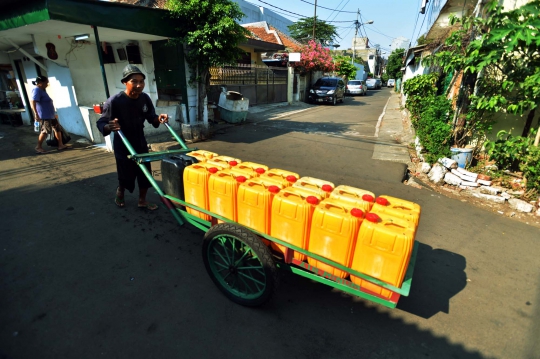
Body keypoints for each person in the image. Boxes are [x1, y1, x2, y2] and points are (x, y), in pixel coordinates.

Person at [97, 65, 169, 210]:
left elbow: (151, 117)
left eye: (141, 81)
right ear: (125, 82)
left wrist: (159, 119)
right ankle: (120, 191)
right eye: (134, 81)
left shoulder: (144, 98)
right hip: (123, 143)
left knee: (145, 173)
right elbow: (102, 122)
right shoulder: (114, 101)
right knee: (126, 175)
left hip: (140, 141)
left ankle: (142, 200)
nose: (139, 85)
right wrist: (109, 127)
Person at [32, 76, 69, 153]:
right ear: (41, 83)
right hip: (44, 115)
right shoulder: (37, 90)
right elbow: (33, 101)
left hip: (50, 114)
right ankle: (38, 147)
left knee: (57, 128)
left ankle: (60, 145)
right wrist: (36, 114)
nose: (47, 84)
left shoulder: (42, 90)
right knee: (45, 130)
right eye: (46, 82)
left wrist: (54, 113)